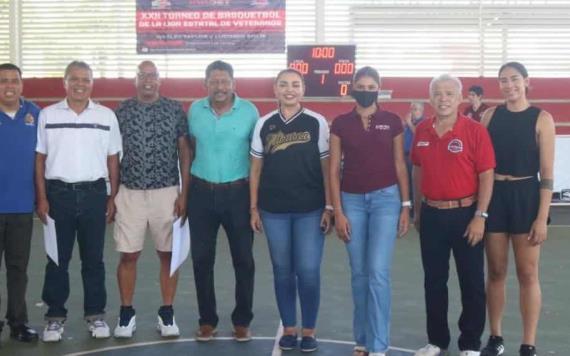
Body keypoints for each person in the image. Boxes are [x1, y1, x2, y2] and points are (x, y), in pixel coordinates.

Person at [35, 60, 122, 342]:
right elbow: (40, 159)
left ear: (92, 83)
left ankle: (95, 316)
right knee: (56, 260)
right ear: (65, 82)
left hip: (95, 195)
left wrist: (112, 196)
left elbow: (113, 159)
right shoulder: (47, 115)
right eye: (74, 79)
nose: (80, 84)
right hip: (58, 195)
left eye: (85, 79)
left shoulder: (106, 116)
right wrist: (42, 197)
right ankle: (54, 318)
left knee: (93, 260)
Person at [411, 74, 495, 356]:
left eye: (449, 93)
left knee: (471, 281)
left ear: (460, 98)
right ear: (430, 98)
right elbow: (417, 170)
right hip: (432, 215)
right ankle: (436, 340)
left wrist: (480, 216)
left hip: (466, 215)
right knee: (433, 281)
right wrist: (418, 210)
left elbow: (486, 175)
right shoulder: (421, 130)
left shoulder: (474, 131)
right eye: (437, 93)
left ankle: (470, 343)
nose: (443, 98)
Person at [249, 69, 332, 353]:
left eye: (295, 85)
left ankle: (308, 330)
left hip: (310, 210)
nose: (289, 90)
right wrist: (254, 208)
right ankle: (289, 328)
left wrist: (329, 206)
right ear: (275, 89)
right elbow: (256, 168)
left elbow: (326, 169)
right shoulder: (264, 124)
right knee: (283, 271)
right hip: (274, 211)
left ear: (303, 90)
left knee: (308, 270)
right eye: (283, 84)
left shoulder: (317, 123)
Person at [329, 66, 410, 356]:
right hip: (351, 202)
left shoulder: (392, 121)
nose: (365, 90)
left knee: (377, 272)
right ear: (352, 88)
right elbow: (334, 170)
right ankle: (361, 340)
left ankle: (378, 346)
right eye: (360, 85)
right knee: (359, 273)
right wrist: (337, 210)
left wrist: (405, 205)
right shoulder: (340, 123)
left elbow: (400, 164)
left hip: (386, 201)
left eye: (370, 85)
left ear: (378, 88)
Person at [479, 62, 555, 356]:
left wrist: (541, 218)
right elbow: (479, 164)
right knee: (496, 271)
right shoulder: (489, 116)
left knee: (527, 273)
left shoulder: (542, 119)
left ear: (526, 81)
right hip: (495, 196)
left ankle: (528, 344)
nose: (509, 85)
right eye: (503, 81)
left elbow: (547, 174)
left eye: (514, 79)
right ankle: (496, 338)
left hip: (526, 197)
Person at [112, 61, 191, 338]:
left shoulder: (174, 109)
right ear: (136, 79)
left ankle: (166, 313)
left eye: (153, 75)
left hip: (166, 192)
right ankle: (126, 313)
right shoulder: (121, 110)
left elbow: (184, 152)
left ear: (159, 80)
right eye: (143, 75)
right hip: (130, 192)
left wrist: (184, 193)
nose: (148, 80)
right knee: (128, 254)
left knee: (167, 255)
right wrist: (112, 195)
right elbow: (111, 154)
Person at [187, 60, 259, 342]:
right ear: (206, 84)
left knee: (244, 260)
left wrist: (255, 201)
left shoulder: (250, 112)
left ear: (234, 83)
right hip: (201, 194)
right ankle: (207, 320)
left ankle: (242, 320)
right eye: (214, 81)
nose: (220, 87)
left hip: (238, 194)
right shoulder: (194, 111)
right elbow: (190, 149)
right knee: (202, 260)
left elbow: (258, 158)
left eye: (225, 81)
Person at [0, 63, 40, 343]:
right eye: (3, 81)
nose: (9, 86)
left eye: (14, 80)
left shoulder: (35, 114)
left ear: (22, 85)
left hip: (22, 208)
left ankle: (18, 323)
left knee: (18, 270)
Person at [403, 101, 425, 216]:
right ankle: (408, 206)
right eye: (411, 109)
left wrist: (409, 124)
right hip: (405, 155)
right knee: (406, 182)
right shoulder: (409, 123)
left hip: (416, 157)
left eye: (415, 109)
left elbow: (418, 134)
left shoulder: (424, 123)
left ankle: (416, 210)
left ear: (421, 111)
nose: (412, 111)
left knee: (414, 183)